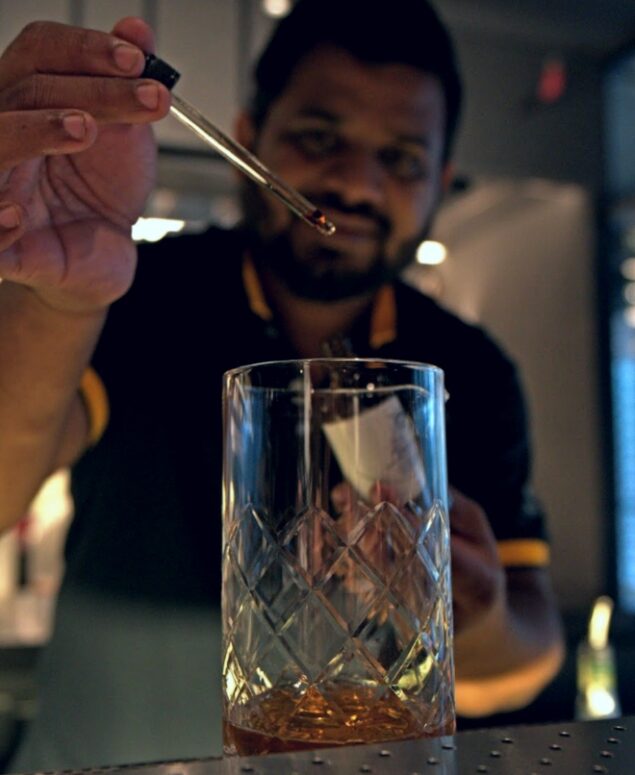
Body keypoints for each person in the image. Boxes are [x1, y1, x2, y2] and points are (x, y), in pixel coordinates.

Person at [0, 0, 564, 769]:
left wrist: (476, 609)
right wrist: (63, 298)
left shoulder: (467, 367)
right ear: (247, 134)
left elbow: (528, 659)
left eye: (399, 158)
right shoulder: (147, 290)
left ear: (439, 179)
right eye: (317, 137)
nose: (354, 183)